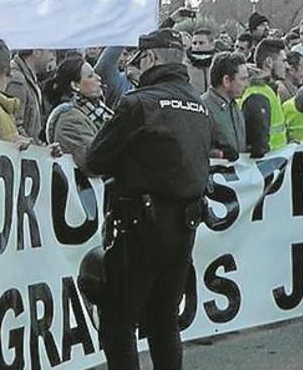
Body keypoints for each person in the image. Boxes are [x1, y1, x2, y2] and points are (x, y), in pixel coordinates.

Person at [86, 28, 211, 370]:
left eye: (140, 60)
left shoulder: (139, 103)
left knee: (118, 322)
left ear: (152, 58)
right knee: (163, 320)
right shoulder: (199, 106)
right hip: (184, 225)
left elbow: (95, 159)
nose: (136, 68)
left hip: (140, 227)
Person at [43, 56, 111, 173]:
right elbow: (93, 161)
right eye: (90, 76)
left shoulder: (94, 110)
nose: (98, 78)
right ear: (75, 85)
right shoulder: (69, 119)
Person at [241, 39, 288, 158]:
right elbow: (258, 145)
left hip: (275, 163)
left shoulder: (268, 89)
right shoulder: (258, 94)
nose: (287, 66)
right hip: (267, 166)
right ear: (269, 62)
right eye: (283, 61)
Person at [202, 52, 248, 160]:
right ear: (226, 80)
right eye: (243, 79)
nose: (247, 84)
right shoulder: (203, 109)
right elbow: (195, 148)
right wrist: (220, 154)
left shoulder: (234, 105)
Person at [7, 49, 54, 142]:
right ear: (36, 52)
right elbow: (13, 126)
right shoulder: (17, 80)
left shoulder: (27, 78)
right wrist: (36, 149)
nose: (52, 57)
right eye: (50, 52)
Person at [184, 28, 215, 95]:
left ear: (211, 45)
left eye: (201, 43)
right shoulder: (185, 65)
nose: (197, 46)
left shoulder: (218, 64)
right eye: (194, 43)